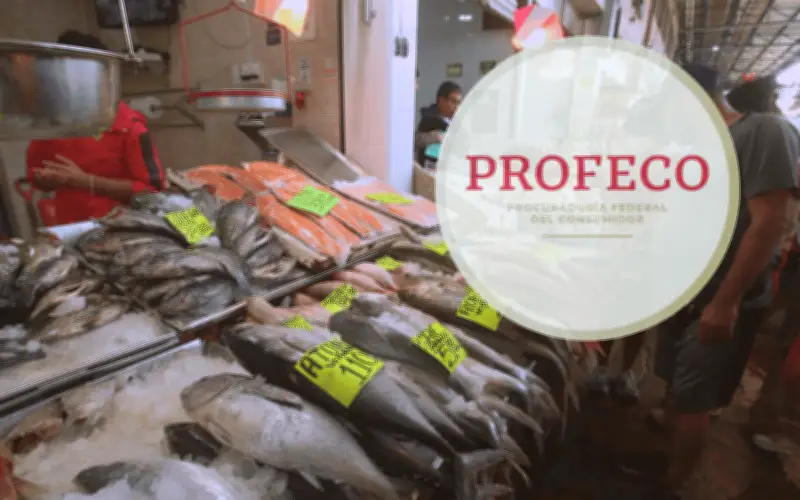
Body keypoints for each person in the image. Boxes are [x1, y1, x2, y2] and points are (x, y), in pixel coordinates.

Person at [628, 64, 800, 498]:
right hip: (685, 290)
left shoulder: (763, 132)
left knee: (694, 399)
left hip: (719, 295)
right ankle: (666, 458)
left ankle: (675, 485)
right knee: (675, 384)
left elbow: (769, 223)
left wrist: (726, 302)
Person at [26, 30, 166, 226]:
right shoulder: (54, 124)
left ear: (106, 77)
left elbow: (153, 193)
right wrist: (46, 179)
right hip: (72, 230)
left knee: (198, 230)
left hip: (126, 228)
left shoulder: (129, 127)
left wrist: (87, 182)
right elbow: (35, 175)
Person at [415, 81, 462, 165]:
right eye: (453, 102)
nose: (457, 107)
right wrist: (434, 137)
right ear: (442, 101)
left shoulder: (459, 123)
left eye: (458, 103)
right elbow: (416, 141)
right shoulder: (428, 121)